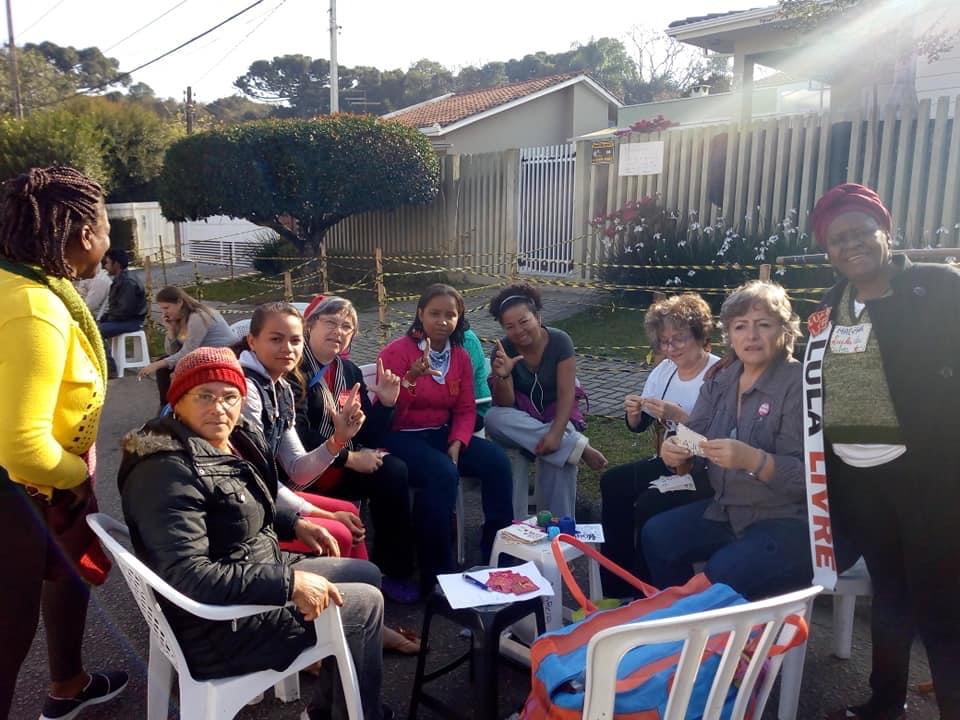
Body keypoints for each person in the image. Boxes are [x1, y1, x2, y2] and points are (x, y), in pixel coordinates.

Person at [117, 347, 389, 720]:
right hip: (220, 625)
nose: (220, 408)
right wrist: (289, 584)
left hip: (248, 571)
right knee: (365, 605)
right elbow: (189, 576)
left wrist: (295, 523)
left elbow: (244, 500)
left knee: (365, 573)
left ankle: (329, 709)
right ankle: (356, 713)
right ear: (177, 402)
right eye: (204, 396)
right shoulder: (165, 471)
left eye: (230, 397)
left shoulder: (225, 438)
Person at [809, 184, 960, 720]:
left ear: (886, 232)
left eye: (860, 231)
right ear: (827, 251)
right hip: (859, 480)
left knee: (941, 603)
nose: (850, 244)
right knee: (890, 595)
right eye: (837, 239)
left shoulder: (938, 287)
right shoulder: (828, 306)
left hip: (929, 478)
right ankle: (885, 700)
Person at [0, 167, 127, 720]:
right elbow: (23, 446)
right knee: (7, 636)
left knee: (66, 572)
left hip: (39, 489)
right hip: (21, 492)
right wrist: (75, 478)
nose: (109, 242)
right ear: (85, 234)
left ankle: (68, 684)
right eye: (106, 229)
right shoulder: (34, 307)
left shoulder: (16, 286)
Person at [238, 302, 420, 653]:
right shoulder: (256, 387)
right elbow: (265, 476)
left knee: (365, 499)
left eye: (347, 326)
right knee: (343, 525)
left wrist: (379, 408)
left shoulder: (307, 380)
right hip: (254, 501)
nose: (287, 348)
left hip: (288, 480)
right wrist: (345, 459)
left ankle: (366, 612)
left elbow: (301, 461)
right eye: (276, 339)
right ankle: (342, 627)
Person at [641, 280, 810, 600]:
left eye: (763, 325)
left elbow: (807, 479)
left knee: (722, 572)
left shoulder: (798, 384)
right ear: (729, 335)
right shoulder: (721, 378)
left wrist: (754, 460)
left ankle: (708, 621)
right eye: (740, 326)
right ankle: (682, 618)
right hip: (726, 510)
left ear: (785, 331)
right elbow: (694, 434)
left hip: (783, 519)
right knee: (658, 535)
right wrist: (675, 449)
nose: (751, 335)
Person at [378, 284, 513, 589]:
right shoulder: (396, 352)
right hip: (401, 436)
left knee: (496, 461)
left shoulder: (461, 356)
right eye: (434, 313)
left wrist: (458, 440)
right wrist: (411, 379)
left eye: (450, 315)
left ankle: (498, 553)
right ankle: (438, 575)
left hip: (442, 433)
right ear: (420, 314)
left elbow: (466, 408)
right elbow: (389, 414)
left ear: (459, 318)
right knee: (441, 473)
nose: (442, 321)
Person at [293, 296, 419, 605]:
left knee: (394, 471)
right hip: (301, 469)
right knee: (383, 469)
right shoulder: (292, 368)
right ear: (310, 325)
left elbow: (367, 434)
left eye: (346, 326)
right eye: (330, 322)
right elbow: (296, 434)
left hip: (339, 464)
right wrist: (349, 458)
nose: (338, 331)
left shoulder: (348, 371)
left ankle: (392, 570)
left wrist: (386, 403)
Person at [599, 293, 720, 597]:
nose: (671, 348)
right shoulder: (664, 370)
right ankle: (617, 587)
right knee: (613, 482)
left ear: (700, 335)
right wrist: (633, 415)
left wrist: (680, 417)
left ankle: (648, 591)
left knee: (650, 503)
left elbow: (718, 443)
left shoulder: (718, 375)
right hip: (670, 463)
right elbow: (641, 425)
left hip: (707, 470)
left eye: (679, 339)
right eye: (664, 341)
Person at [483, 283, 607, 519]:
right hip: (520, 420)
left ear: (538, 317)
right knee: (492, 417)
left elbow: (567, 393)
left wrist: (556, 434)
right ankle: (577, 447)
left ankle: (560, 531)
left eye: (524, 321)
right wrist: (504, 375)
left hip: (556, 414)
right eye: (510, 326)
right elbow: (505, 404)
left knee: (558, 454)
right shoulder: (503, 350)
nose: (519, 331)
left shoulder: (560, 341)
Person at [137, 286, 237, 411]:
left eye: (166, 308)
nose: (164, 313)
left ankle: (172, 407)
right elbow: (172, 352)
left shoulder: (197, 317)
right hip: (202, 355)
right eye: (162, 309)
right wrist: (171, 330)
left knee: (164, 366)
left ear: (180, 302)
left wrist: (156, 364)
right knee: (164, 367)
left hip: (222, 357)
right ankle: (167, 407)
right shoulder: (180, 319)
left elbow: (188, 352)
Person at [98, 247, 147, 376]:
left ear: (116, 264)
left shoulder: (127, 282)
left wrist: (107, 318)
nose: (105, 266)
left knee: (97, 332)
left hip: (131, 321)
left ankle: (110, 369)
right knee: (94, 326)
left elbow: (124, 311)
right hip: (124, 319)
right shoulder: (121, 279)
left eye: (108, 263)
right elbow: (117, 308)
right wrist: (105, 318)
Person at [462, 324, 492, 430]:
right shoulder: (439, 338)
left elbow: (461, 381)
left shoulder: (467, 340)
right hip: (452, 403)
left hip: (476, 407)